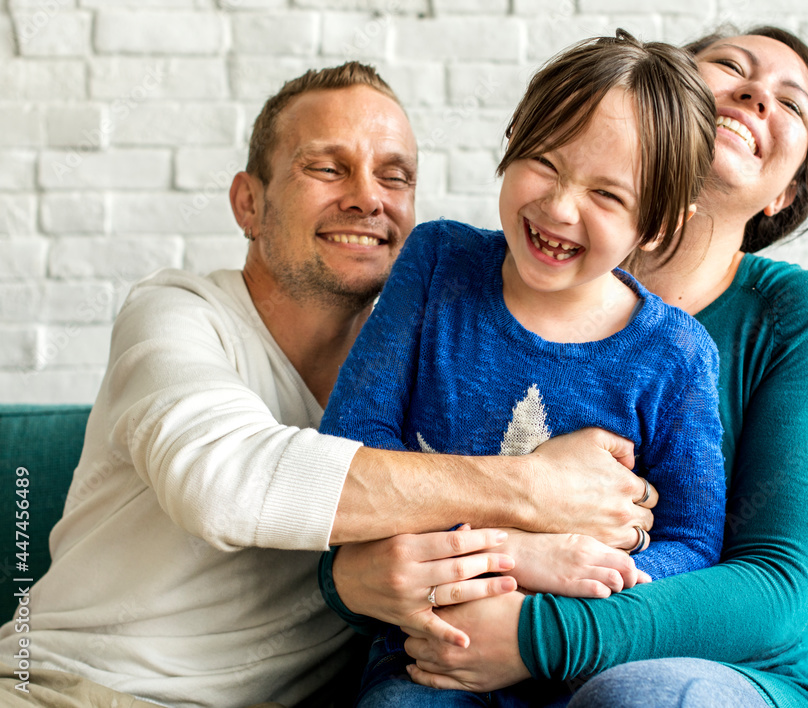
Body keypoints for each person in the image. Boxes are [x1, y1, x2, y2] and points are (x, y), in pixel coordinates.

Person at [0, 63, 657, 708]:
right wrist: (537, 490)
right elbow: (223, 484)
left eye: (394, 177)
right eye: (326, 168)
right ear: (248, 202)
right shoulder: (178, 314)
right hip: (71, 688)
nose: (368, 198)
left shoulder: (422, 377)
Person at [331, 26, 808, 708]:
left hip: (691, 664)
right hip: (444, 646)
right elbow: (343, 481)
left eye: (790, 105)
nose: (756, 95)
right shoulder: (453, 268)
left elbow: (767, 583)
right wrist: (519, 511)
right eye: (730, 66)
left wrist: (536, 622)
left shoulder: (761, 327)